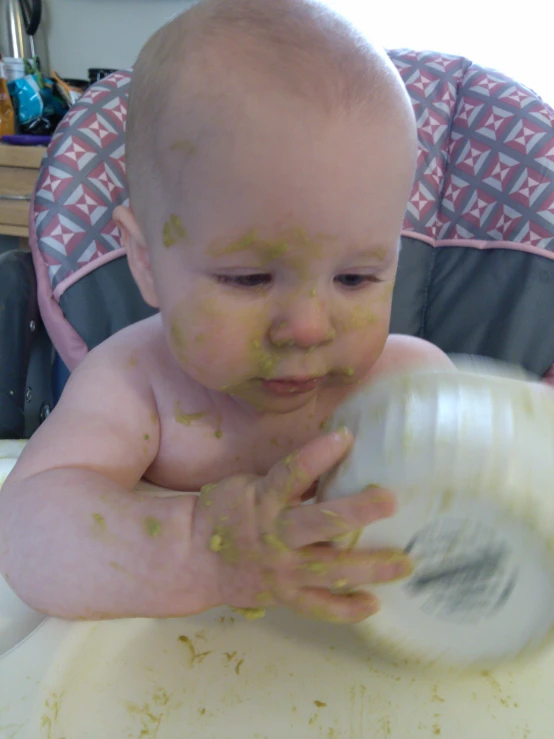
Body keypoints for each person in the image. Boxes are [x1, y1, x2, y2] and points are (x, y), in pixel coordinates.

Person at [0, 0, 450, 624]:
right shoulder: (134, 387)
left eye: (356, 276)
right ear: (146, 261)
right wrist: (197, 547)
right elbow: (26, 529)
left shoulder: (411, 388)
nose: (309, 327)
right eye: (248, 278)